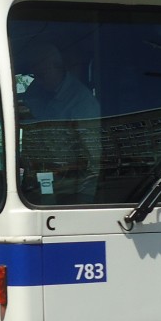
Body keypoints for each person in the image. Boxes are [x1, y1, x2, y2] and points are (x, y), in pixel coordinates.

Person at [20, 42, 101, 202]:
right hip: (36, 179)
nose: (39, 80)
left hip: (70, 187)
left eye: (42, 75)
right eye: (36, 75)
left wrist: (84, 197)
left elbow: (93, 156)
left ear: (58, 67)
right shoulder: (36, 90)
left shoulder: (81, 101)